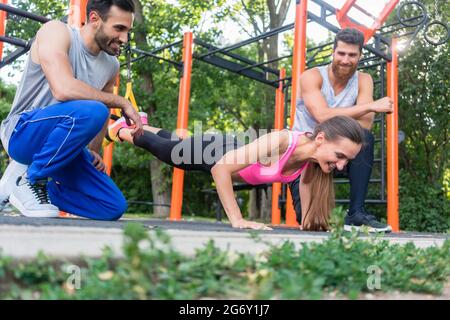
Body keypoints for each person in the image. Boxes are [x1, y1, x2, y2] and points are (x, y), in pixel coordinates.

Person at [0, 0, 143, 219]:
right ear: (95, 19)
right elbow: (63, 89)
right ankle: (30, 178)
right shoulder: (57, 32)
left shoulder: (111, 64)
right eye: (119, 28)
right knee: (94, 110)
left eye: (128, 31)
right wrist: (122, 102)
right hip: (22, 133)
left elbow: (103, 106)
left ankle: (24, 187)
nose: (124, 38)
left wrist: (95, 150)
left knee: (111, 206)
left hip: (63, 147)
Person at [106, 113, 365, 231]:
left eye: (346, 161)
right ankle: (121, 130)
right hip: (218, 152)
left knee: (177, 143)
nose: (341, 166)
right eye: (339, 156)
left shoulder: (310, 166)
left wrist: (323, 229)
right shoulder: (282, 141)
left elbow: (307, 219)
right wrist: (237, 219)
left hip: (232, 151)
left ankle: (144, 123)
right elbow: (222, 169)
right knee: (168, 152)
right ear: (320, 139)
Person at [289, 28, 394, 233]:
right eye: (341, 53)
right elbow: (320, 115)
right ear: (333, 52)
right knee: (313, 224)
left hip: (340, 154)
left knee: (365, 138)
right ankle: (315, 210)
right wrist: (370, 106)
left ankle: (356, 213)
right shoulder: (311, 76)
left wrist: (337, 128)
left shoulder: (364, 80)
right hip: (307, 153)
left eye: (352, 55)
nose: (346, 60)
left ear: (360, 56)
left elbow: (364, 126)